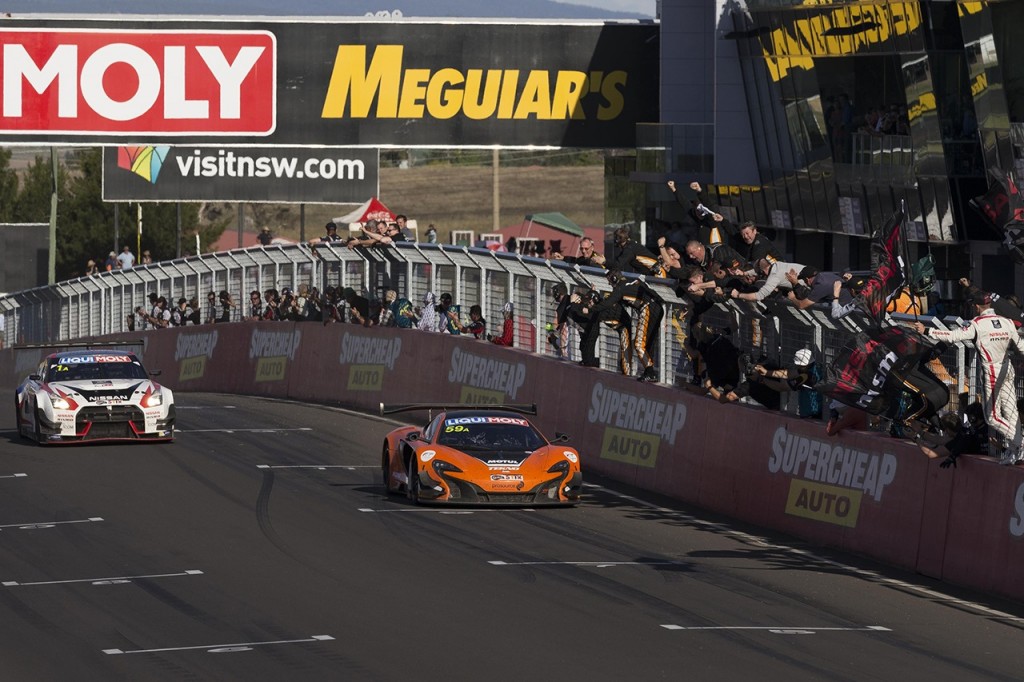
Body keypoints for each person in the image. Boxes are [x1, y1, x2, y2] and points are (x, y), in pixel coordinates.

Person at [914, 290, 1024, 464]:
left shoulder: (977, 324)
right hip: (1008, 368)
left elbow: (952, 336)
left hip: (993, 373)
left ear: (977, 306)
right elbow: (1021, 346)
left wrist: (927, 330)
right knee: (1011, 414)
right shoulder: (1007, 322)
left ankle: (1019, 443)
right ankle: (1016, 449)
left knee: (992, 417)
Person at [915, 396, 989, 469]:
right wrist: (920, 432)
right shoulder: (970, 432)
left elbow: (933, 452)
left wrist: (915, 438)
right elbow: (941, 440)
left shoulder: (968, 434)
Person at [752, 348, 823, 418]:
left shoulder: (807, 376)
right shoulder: (815, 369)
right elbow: (788, 374)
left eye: (798, 365)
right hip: (812, 412)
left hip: (811, 414)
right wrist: (766, 372)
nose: (796, 366)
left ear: (803, 365)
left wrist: (762, 380)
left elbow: (783, 387)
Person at [731, 257, 806, 303]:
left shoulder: (774, 278)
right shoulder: (777, 264)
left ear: (762, 272)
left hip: (809, 287)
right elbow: (757, 271)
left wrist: (738, 295)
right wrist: (744, 273)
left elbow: (758, 296)